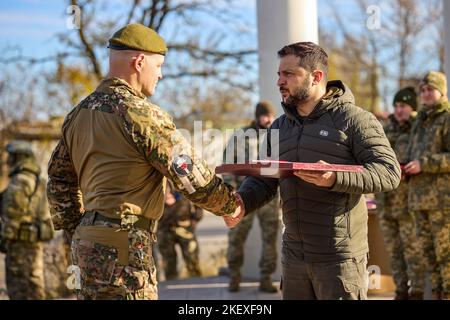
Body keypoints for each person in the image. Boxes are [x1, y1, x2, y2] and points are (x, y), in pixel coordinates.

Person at [47, 23, 241, 300]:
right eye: (159, 65)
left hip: (86, 243)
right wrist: (230, 205)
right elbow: (188, 174)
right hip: (125, 248)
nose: (160, 74)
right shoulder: (140, 114)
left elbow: (59, 181)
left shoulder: (77, 115)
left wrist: (77, 229)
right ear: (139, 62)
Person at [224, 42, 401, 300]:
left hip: (339, 259)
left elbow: (389, 172)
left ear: (316, 77)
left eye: (289, 74)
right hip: (294, 257)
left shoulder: (355, 120)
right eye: (279, 74)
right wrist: (242, 202)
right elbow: (265, 178)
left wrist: (336, 177)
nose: (280, 82)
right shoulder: (279, 127)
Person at [224, 101, 281, 293]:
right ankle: (234, 276)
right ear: (257, 117)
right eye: (266, 116)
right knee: (236, 238)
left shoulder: (276, 136)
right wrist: (230, 191)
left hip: (269, 198)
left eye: (271, 116)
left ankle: (266, 278)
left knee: (270, 239)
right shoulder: (240, 136)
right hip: (243, 196)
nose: (269, 120)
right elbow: (227, 165)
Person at [375, 87, 425, 300]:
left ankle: (418, 292)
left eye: (403, 106)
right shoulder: (387, 129)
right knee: (394, 252)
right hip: (386, 201)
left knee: (412, 251)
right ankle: (401, 291)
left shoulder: (418, 128)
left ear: (412, 107)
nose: (398, 110)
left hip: (408, 201)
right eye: (396, 106)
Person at [404, 71, 450, 300]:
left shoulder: (447, 117)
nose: (425, 94)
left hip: (442, 201)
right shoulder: (419, 121)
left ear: (442, 90)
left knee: (447, 256)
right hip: (417, 198)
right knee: (428, 254)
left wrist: (424, 164)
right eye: (422, 90)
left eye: (430, 89)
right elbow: (414, 152)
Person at [1, 140, 54, 299]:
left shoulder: (20, 181)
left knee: (19, 289)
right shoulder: (38, 180)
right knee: (34, 286)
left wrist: (4, 239)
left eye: (11, 156)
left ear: (19, 157)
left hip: (19, 244)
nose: (8, 160)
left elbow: (13, 215)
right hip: (34, 244)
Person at [157, 182, 203, 280]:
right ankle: (172, 286)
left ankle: (197, 283)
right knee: (169, 263)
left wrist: (196, 218)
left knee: (192, 259)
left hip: (185, 228)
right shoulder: (157, 184)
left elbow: (198, 201)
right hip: (164, 229)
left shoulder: (183, 182)